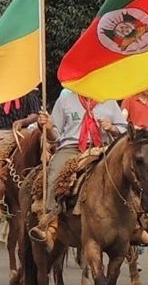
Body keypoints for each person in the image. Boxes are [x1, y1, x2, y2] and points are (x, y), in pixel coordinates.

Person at [28, 88, 125, 244]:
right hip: (72, 147)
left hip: (103, 148)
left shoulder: (109, 100)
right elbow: (55, 136)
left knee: (128, 173)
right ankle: (49, 222)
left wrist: (112, 128)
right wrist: (48, 127)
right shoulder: (66, 99)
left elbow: (125, 130)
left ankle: (138, 224)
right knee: (54, 175)